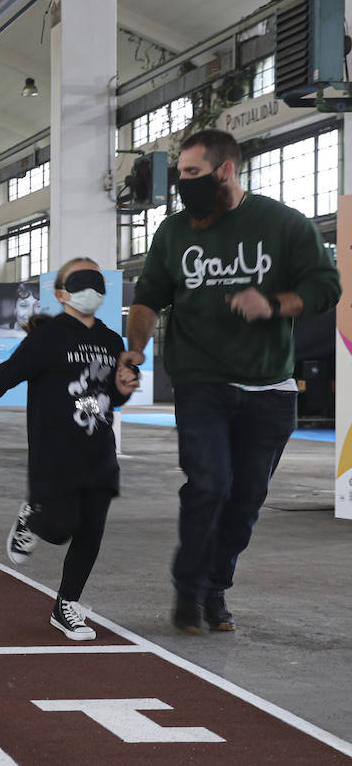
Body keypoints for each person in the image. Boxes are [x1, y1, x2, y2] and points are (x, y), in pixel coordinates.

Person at [123, 129, 340, 635]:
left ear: (226, 171)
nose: (182, 185)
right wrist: (134, 350)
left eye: (192, 174)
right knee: (209, 485)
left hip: (270, 388)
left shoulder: (283, 224)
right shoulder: (174, 233)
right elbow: (148, 297)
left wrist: (274, 305)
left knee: (245, 500)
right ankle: (188, 586)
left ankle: (215, 587)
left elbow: (326, 286)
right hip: (201, 383)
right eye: (179, 175)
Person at [0, 258, 139, 641]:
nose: (92, 294)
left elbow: (110, 398)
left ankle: (66, 605)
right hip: (55, 451)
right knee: (60, 528)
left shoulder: (111, 340)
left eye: (98, 287)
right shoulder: (49, 338)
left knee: (92, 530)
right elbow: (4, 375)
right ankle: (33, 516)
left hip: (99, 449)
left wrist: (124, 387)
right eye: (84, 286)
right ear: (63, 295)